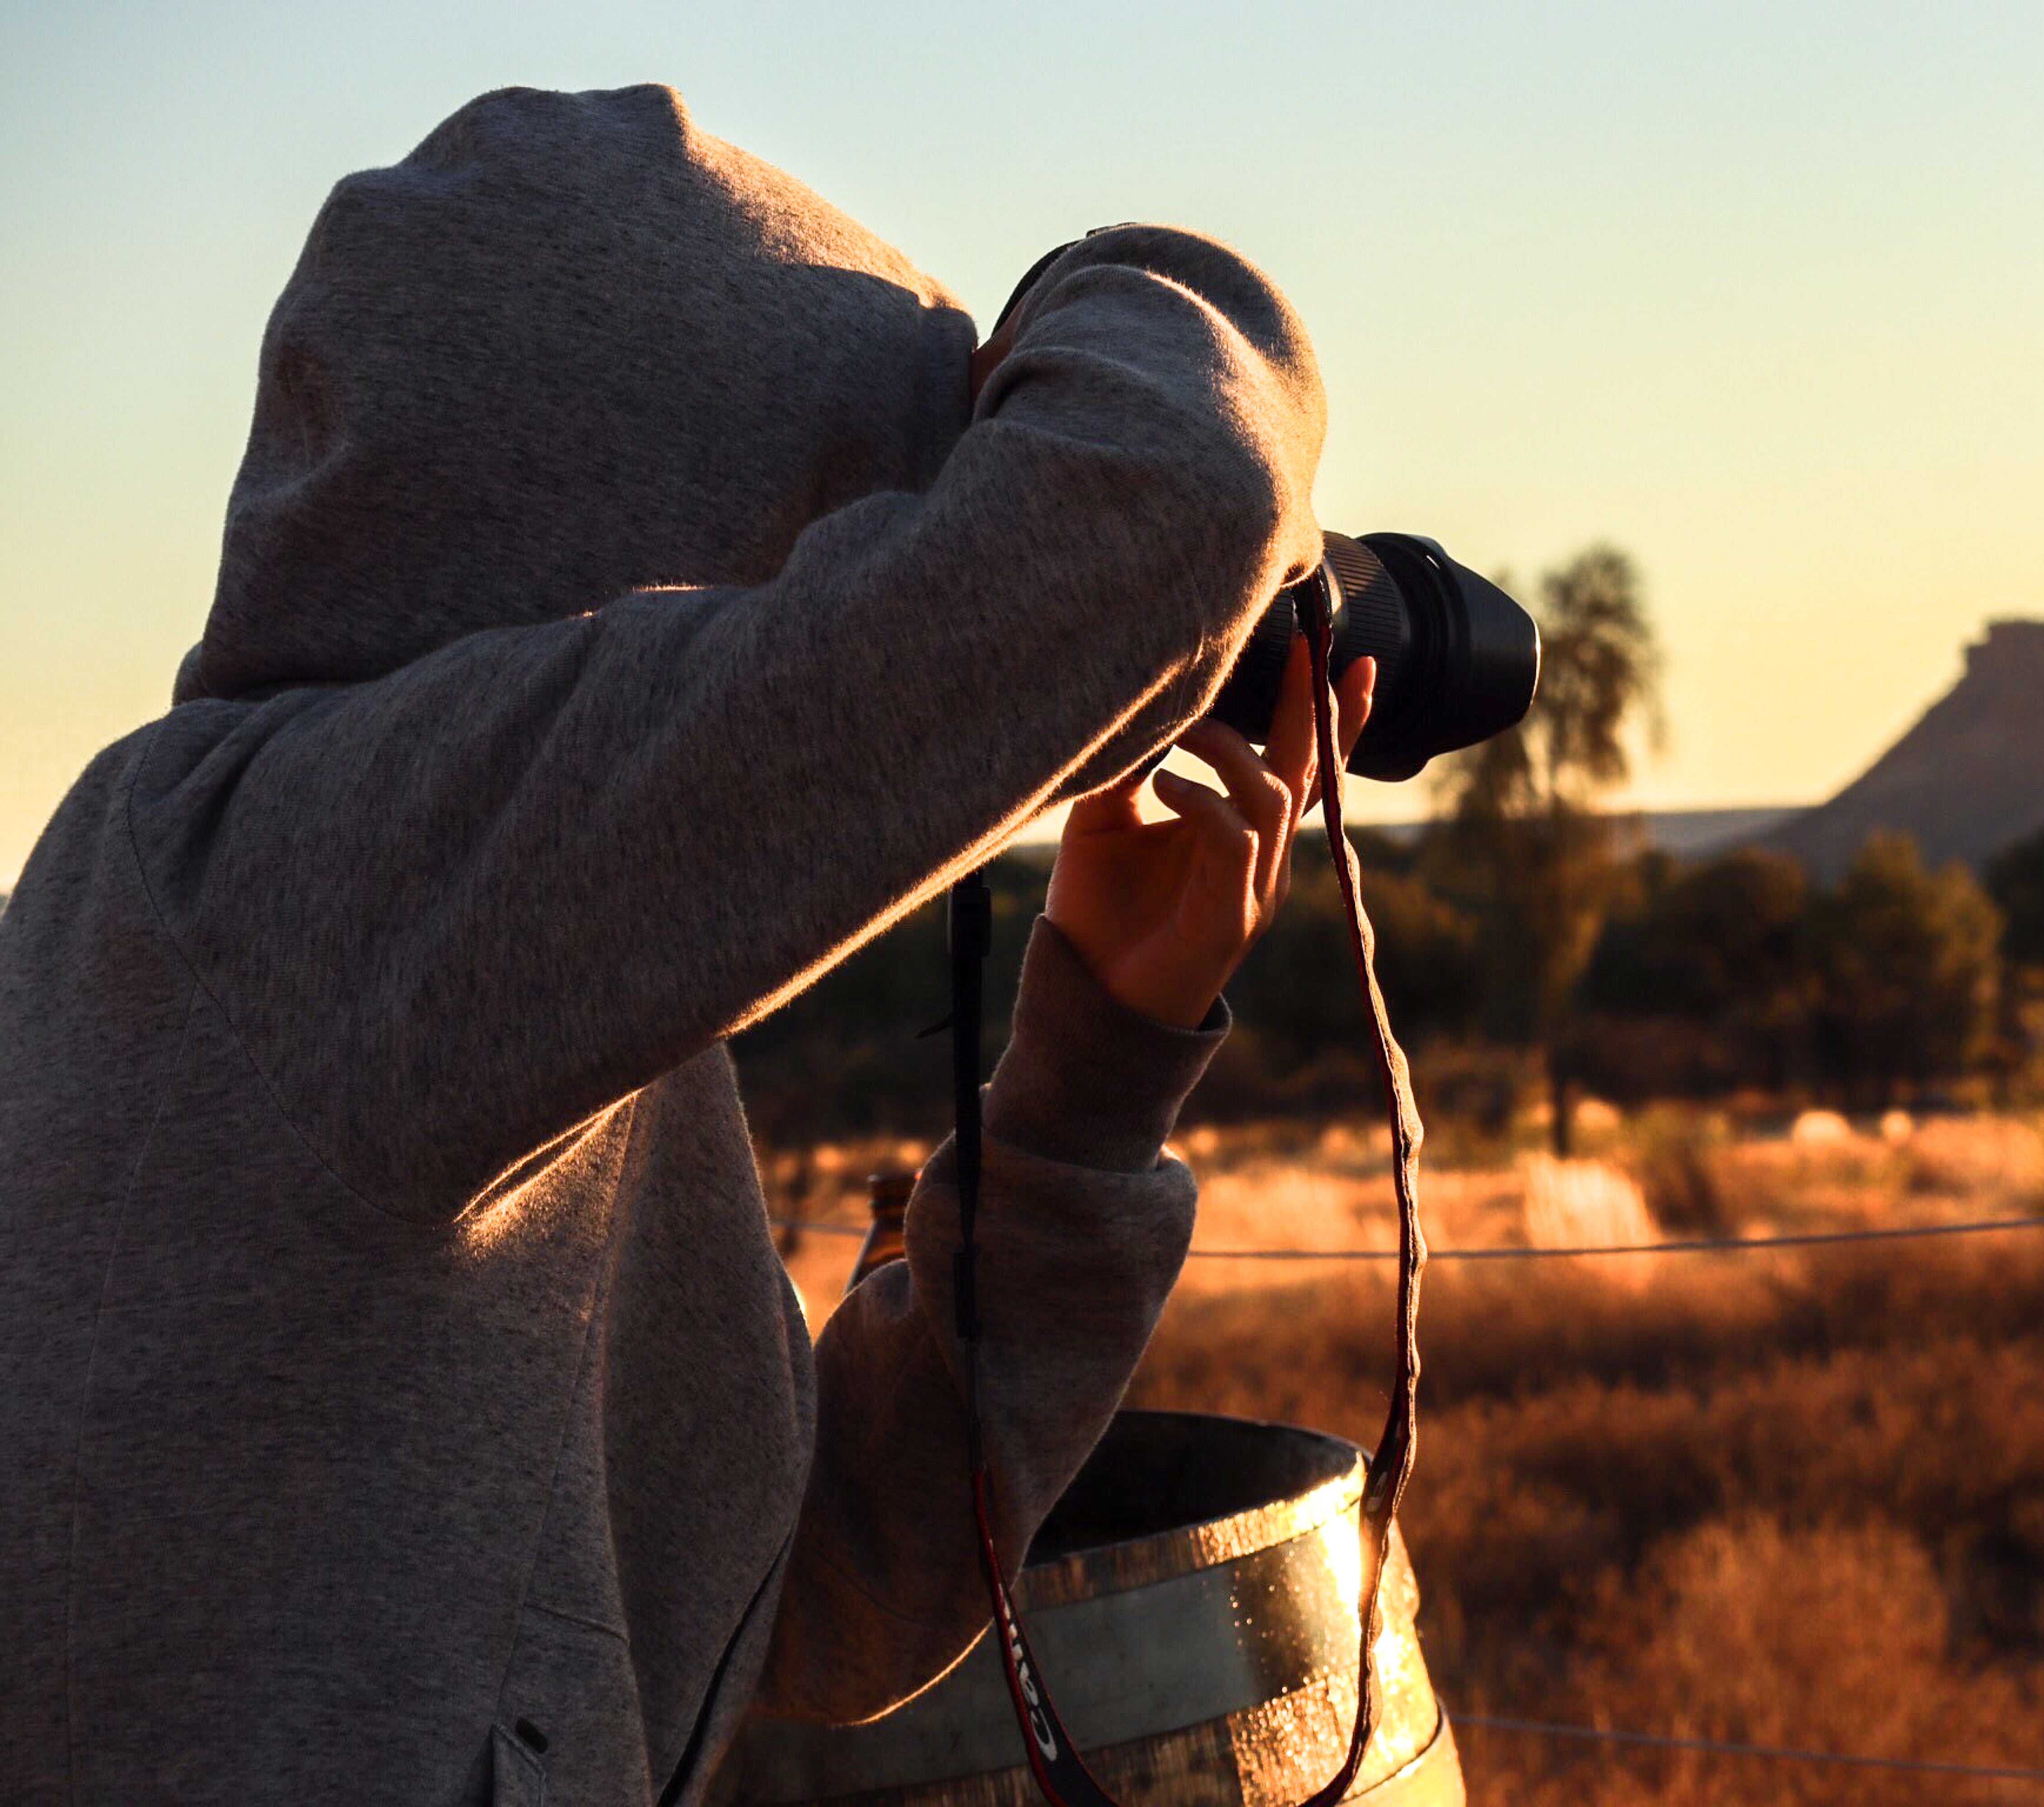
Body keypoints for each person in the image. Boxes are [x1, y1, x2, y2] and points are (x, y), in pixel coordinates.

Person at [0, 83, 1370, 1806]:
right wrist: (1054, 322)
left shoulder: (453, 972)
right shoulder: (298, 883)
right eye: (855, 539)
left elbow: (812, 1608)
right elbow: (1178, 487)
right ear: (679, 543)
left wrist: (1085, 1081)